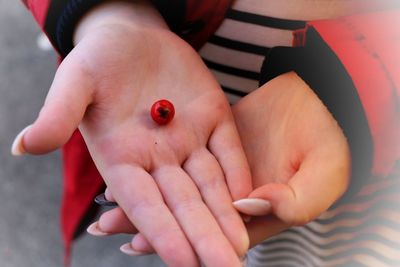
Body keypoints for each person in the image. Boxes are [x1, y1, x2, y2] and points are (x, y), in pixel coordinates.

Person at [15, 0, 400, 266]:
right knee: (248, 226)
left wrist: (355, 84)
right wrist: (107, 12)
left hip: (368, 147)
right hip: (222, 130)